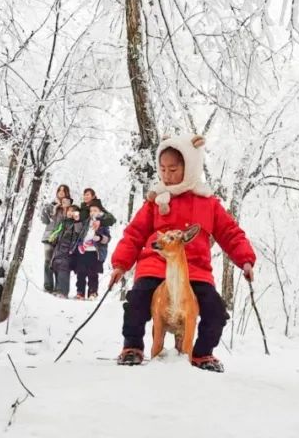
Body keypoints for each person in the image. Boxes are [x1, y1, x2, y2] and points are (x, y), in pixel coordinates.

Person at [109, 134, 256, 373]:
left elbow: (230, 233)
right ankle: (132, 347)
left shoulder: (208, 204)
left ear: (189, 167)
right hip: (155, 267)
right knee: (137, 300)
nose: (167, 176)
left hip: (195, 272)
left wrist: (246, 260)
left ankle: (201, 354)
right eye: (163, 170)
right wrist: (120, 264)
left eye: (173, 170)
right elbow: (134, 234)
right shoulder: (155, 202)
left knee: (216, 312)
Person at [75, 202, 111, 300]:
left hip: (95, 252)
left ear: (100, 212)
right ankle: (80, 292)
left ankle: (93, 292)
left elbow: (107, 238)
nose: (92, 213)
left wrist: (99, 237)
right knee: (81, 273)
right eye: (91, 211)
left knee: (93, 273)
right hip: (83, 251)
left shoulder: (103, 224)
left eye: (95, 210)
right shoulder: (87, 222)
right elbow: (79, 232)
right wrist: (77, 221)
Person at [40, 184, 71, 291]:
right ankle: (48, 285)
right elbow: (44, 220)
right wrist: (51, 208)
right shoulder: (51, 205)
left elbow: (69, 222)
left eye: (64, 190)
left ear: (67, 193)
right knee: (48, 261)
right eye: (59, 190)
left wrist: (66, 209)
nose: (61, 192)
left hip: (61, 239)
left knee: (59, 262)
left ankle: (59, 288)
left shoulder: (69, 206)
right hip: (49, 237)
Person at [50, 202, 85, 298]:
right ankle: (57, 289)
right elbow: (58, 233)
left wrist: (77, 221)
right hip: (59, 249)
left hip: (68, 250)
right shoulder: (64, 221)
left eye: (73, 211)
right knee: (56, 267)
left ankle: (63, 292)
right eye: (69, 210)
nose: (71, 213)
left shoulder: (77, 223)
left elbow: (79, 233)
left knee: (64, 269)